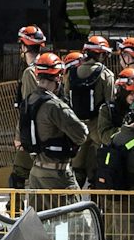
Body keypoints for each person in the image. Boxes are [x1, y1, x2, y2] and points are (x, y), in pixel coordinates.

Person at [19, 53, 88, 190]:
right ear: (57, 77)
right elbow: (81, 135)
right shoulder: (55, 106)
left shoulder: (28, 101)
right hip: (57, 176)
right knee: (75, 205)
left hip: (36, 174)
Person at [65, 41, 117, 181]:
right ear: (101, 55)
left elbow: (66, 97)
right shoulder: (106, 75)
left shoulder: (72, 73)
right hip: (98, 127)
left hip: (77, 127)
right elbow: (110, 103)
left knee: (76, 170)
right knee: (98, 167)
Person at [8, 25, 48, 189]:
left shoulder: (30, 72)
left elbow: (28, 107)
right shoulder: (47, 66)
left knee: (18, 176)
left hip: (33, 132)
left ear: (24, 47)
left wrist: (20, 136)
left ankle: (16, 206)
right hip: (48, 129)